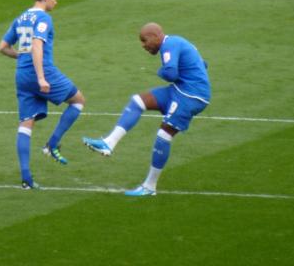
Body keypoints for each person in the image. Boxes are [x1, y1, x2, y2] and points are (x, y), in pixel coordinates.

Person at [83, 22, 210, 197]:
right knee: (138, 101)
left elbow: (170, 74)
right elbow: (204, 64)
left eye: (144, 40)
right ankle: (109, 143)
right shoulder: (177, 42)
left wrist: (161, 71)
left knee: (164, 135)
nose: (143, 46)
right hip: (180, 90)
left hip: (191, 96)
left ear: (156, 36)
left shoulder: (169, 45)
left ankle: (150, 187)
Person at [0, 0, 86, 189]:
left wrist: (20, 56)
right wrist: (41, 78)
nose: (56, 1)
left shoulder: (20, 18)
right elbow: (37, 45)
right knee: (78, 101)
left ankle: (26, 179)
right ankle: (52, 144)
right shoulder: (44, 18)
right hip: (43, 72)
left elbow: (2, 47)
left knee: (26, 123)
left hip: (21, 75)